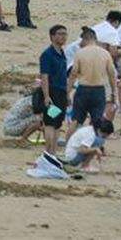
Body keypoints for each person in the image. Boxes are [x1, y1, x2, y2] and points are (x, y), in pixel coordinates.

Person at [67, 27, 117, 135]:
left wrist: (67, 92)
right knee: (97, 121)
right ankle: (94, 142)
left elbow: (73, 74)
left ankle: (69, 143)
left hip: (83, 88)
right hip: (98, 90)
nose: (80, 44)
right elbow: (112, 75)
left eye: (82, 41)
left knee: (76, 121)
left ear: (86, 39)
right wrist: (113, 92)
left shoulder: (80, 53)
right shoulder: (105, 53)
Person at [38, 24, 69, 155]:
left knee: (58, 124)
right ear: (52, 36)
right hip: (52, 92)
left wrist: (67, 94)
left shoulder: (62, 53)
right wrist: (46, 96)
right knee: (50, 123)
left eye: (65, 34)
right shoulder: (47, 54)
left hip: (61, 92)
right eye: (60, 34)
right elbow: (44, 76)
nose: (63, 37)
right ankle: (48, 152)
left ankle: (53, 152)